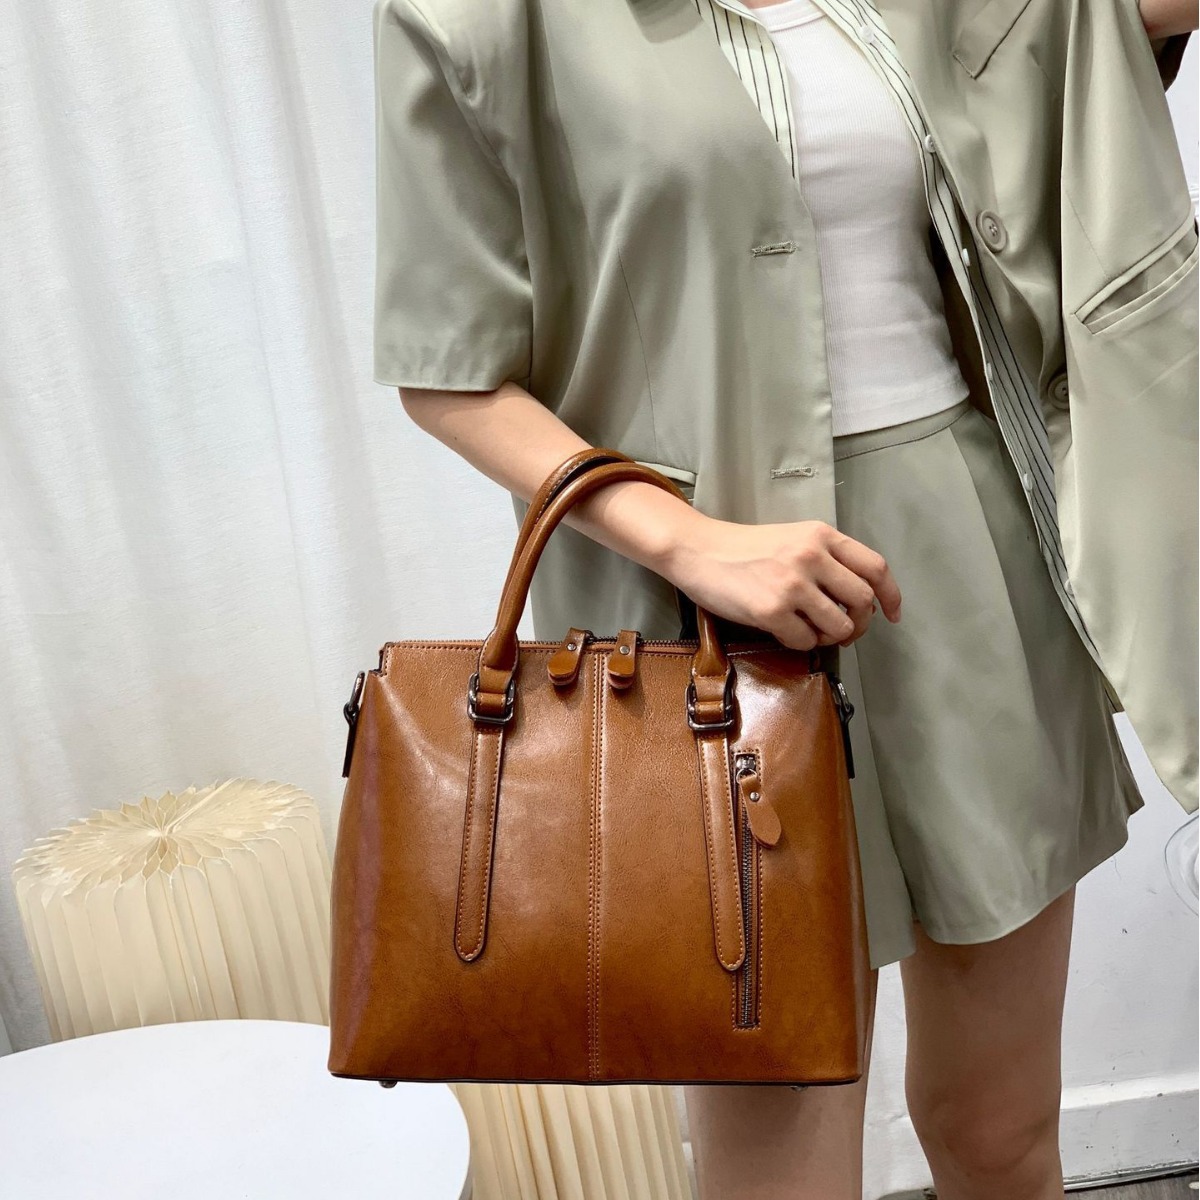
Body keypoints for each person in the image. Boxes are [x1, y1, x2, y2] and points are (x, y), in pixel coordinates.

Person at [370, 0, 1198, 1195]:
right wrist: (690, 541)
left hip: (964, 578)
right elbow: (449, 375)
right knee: (776, 1172)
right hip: (697, 638)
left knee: (1001, 1132)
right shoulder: (483, 21)